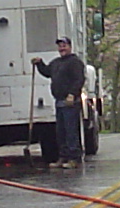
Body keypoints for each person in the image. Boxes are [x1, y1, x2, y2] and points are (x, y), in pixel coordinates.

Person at [33, 35, 88, 164]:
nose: (62, 48)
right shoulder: (56, 62)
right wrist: (39, 63)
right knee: (61, 132)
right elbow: (47, 72)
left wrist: (72, 94)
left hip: (70, 102)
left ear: (70, 47)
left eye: (64, 46)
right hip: (59, 102)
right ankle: (64, 156)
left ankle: (74, 157)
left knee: (71, 131)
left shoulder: (75, 62)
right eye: (60, 46)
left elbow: (79, 79)